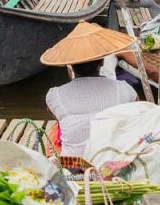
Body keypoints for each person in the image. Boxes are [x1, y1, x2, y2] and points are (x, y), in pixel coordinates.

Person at [42, 22, 138, 157]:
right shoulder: (124, 89)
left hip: (72, 163)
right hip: (112, 160)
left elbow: (56, 115)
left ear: (70, 65)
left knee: (57, 132)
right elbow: (136, 113)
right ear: (102, 62)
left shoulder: (54, 95)